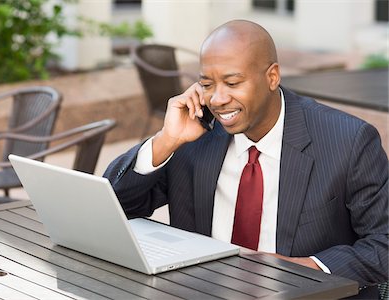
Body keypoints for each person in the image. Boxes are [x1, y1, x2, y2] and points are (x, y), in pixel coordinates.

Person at [104, 20, 388, 298]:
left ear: (272, 77)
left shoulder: (348, 141)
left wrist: (306, 268)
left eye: (232, 82)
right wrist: (167, 141)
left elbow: (383, 244)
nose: (216, 99)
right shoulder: (195, 136)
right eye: (206, 84)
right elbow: (115, 209)